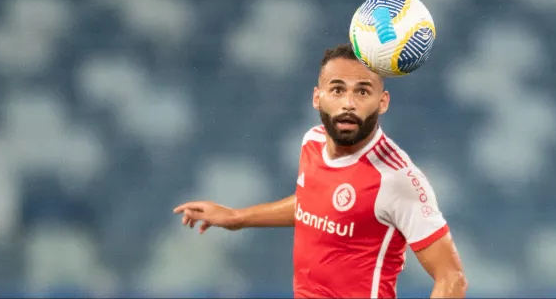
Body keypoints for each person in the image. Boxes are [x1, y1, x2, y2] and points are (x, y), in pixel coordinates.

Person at [173, 43, 468, 298]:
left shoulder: (396, 179)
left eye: (363, 91)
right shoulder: (312, 143)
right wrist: (237, 218)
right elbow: (316, 204)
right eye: (337, 89)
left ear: (382, 102)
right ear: (317, 97)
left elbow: (452, 279)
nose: (349, 103)